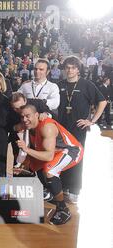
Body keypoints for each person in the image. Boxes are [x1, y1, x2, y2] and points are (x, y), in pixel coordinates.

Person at [16, 104, 83, 225]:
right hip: (54, 150)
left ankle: (63, 209)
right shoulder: (29, 127)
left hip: (72, 150)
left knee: (49, 170)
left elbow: (48, 156)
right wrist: (25, 162)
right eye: (22, 117)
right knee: (33, 166)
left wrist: (26, 150)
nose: (25, 119)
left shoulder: (47, 127)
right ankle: (51, 193)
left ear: (36, 115)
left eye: (28, 116)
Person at [57, 56, 107, 203]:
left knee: (77, 158)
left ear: (78, 69)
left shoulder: (86, 85)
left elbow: (102, 101)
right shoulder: (59, 85)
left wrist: (91, 121)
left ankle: (74, 190)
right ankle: (63, 187)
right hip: (60, 129)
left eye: (73, 67)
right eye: (67, 67)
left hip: (78, 129)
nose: (70, 70)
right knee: (60, 157)